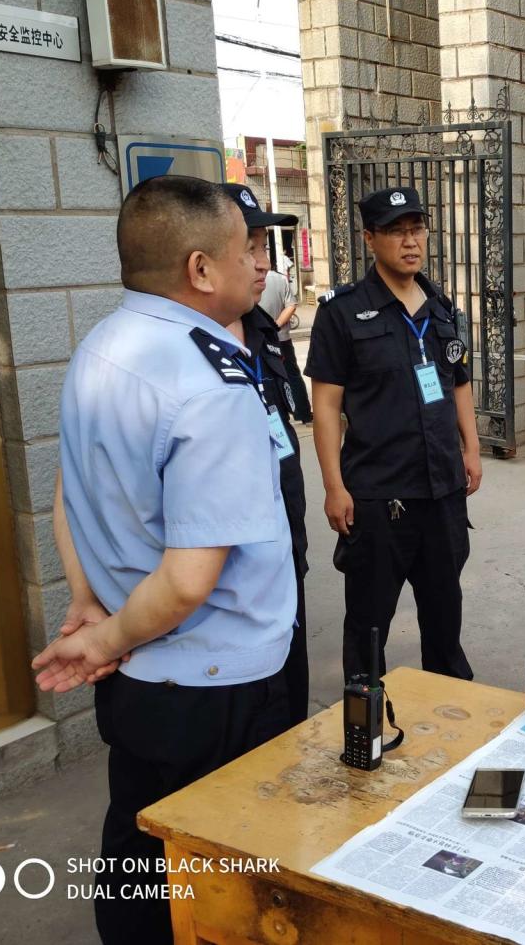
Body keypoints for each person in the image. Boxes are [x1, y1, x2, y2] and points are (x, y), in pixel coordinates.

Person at [32, 175, 294, 943]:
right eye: (245, 248)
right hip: (214, 687)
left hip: (143, 679)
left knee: (138, 851)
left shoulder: (100, 348)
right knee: (221, 878)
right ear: (199, 269)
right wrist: (99, 642)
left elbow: (67, 493)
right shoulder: (207, 382)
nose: (259, 263)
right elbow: (188, 579)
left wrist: (87, 598)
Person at [305, 186, 481, 684]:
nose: (410, 242)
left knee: (445, 614)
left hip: (442, 492)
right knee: (368, 622)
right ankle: (366, 721)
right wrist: (334, 486)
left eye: (416, 229)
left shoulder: (441, 306)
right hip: (380, 498)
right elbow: (326, 408)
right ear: (369, 238)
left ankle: (451, 706)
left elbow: (459, 382)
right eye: (396, 231)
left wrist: (471, 450)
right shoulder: (342, 312)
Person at [223, 184, 311, 728]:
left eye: (265, 246)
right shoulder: (185, 354)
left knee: (289, 708)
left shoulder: (263, 332)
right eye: (251, 247)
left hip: (284, 554)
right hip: (228, 585)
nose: (264, 264)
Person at [257, 255, 314, 423]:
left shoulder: (243, 279)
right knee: (292, 375)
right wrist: (276, 326)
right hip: (280, 338)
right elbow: (291, 305)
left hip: (260, 339)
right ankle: (303, 413)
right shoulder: (279, 279)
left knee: (266, 378)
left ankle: (276, 417)